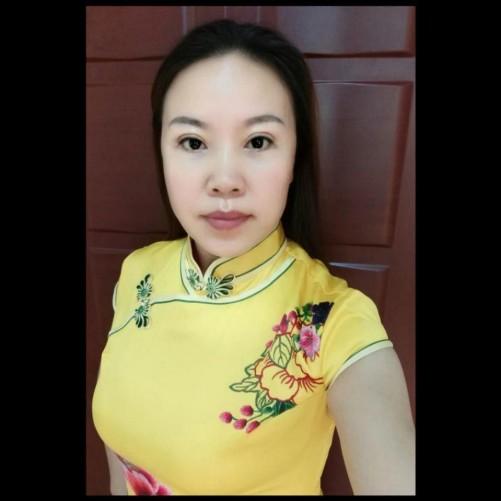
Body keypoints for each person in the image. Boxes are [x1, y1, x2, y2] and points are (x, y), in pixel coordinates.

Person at [92, 18, 415, 495]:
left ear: (294, 158)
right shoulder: (138, 274)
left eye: (258, 141)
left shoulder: (333, 323)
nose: (225, 180)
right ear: (162, 152)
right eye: (193, 142)